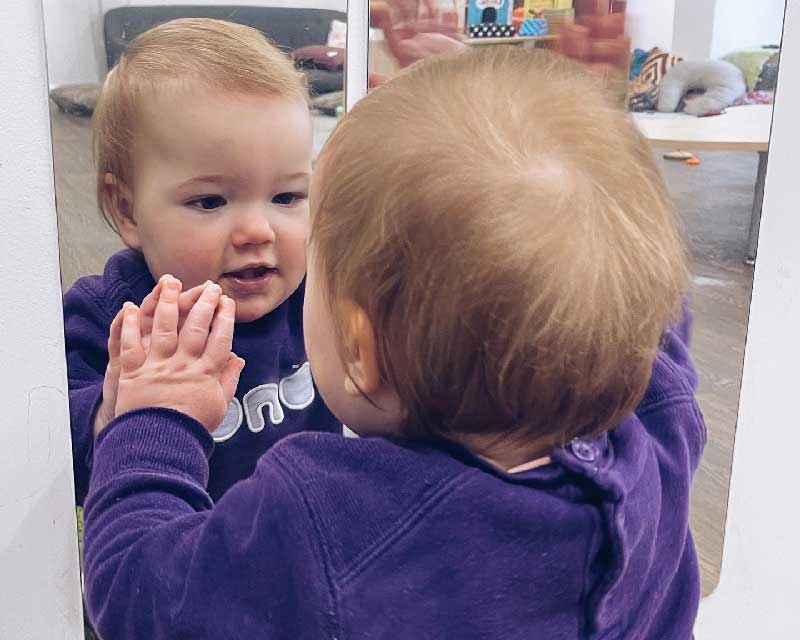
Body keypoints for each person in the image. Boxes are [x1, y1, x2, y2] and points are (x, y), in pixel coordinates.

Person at [84, 48, 704, 639]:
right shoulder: (658, 421)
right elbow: (657, 316)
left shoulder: (331, 525)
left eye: (295, 206)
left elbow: (141, 594)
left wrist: (155, 417)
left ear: (361, 345)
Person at [63, 18, 341, 504]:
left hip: (307, 538)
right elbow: (47, 449)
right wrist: (110, 414)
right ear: (127, 210)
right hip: (182, 554)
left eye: (287, 196)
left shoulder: (320, 291)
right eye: (210, 202)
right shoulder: (111, 316)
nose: (259, 229)